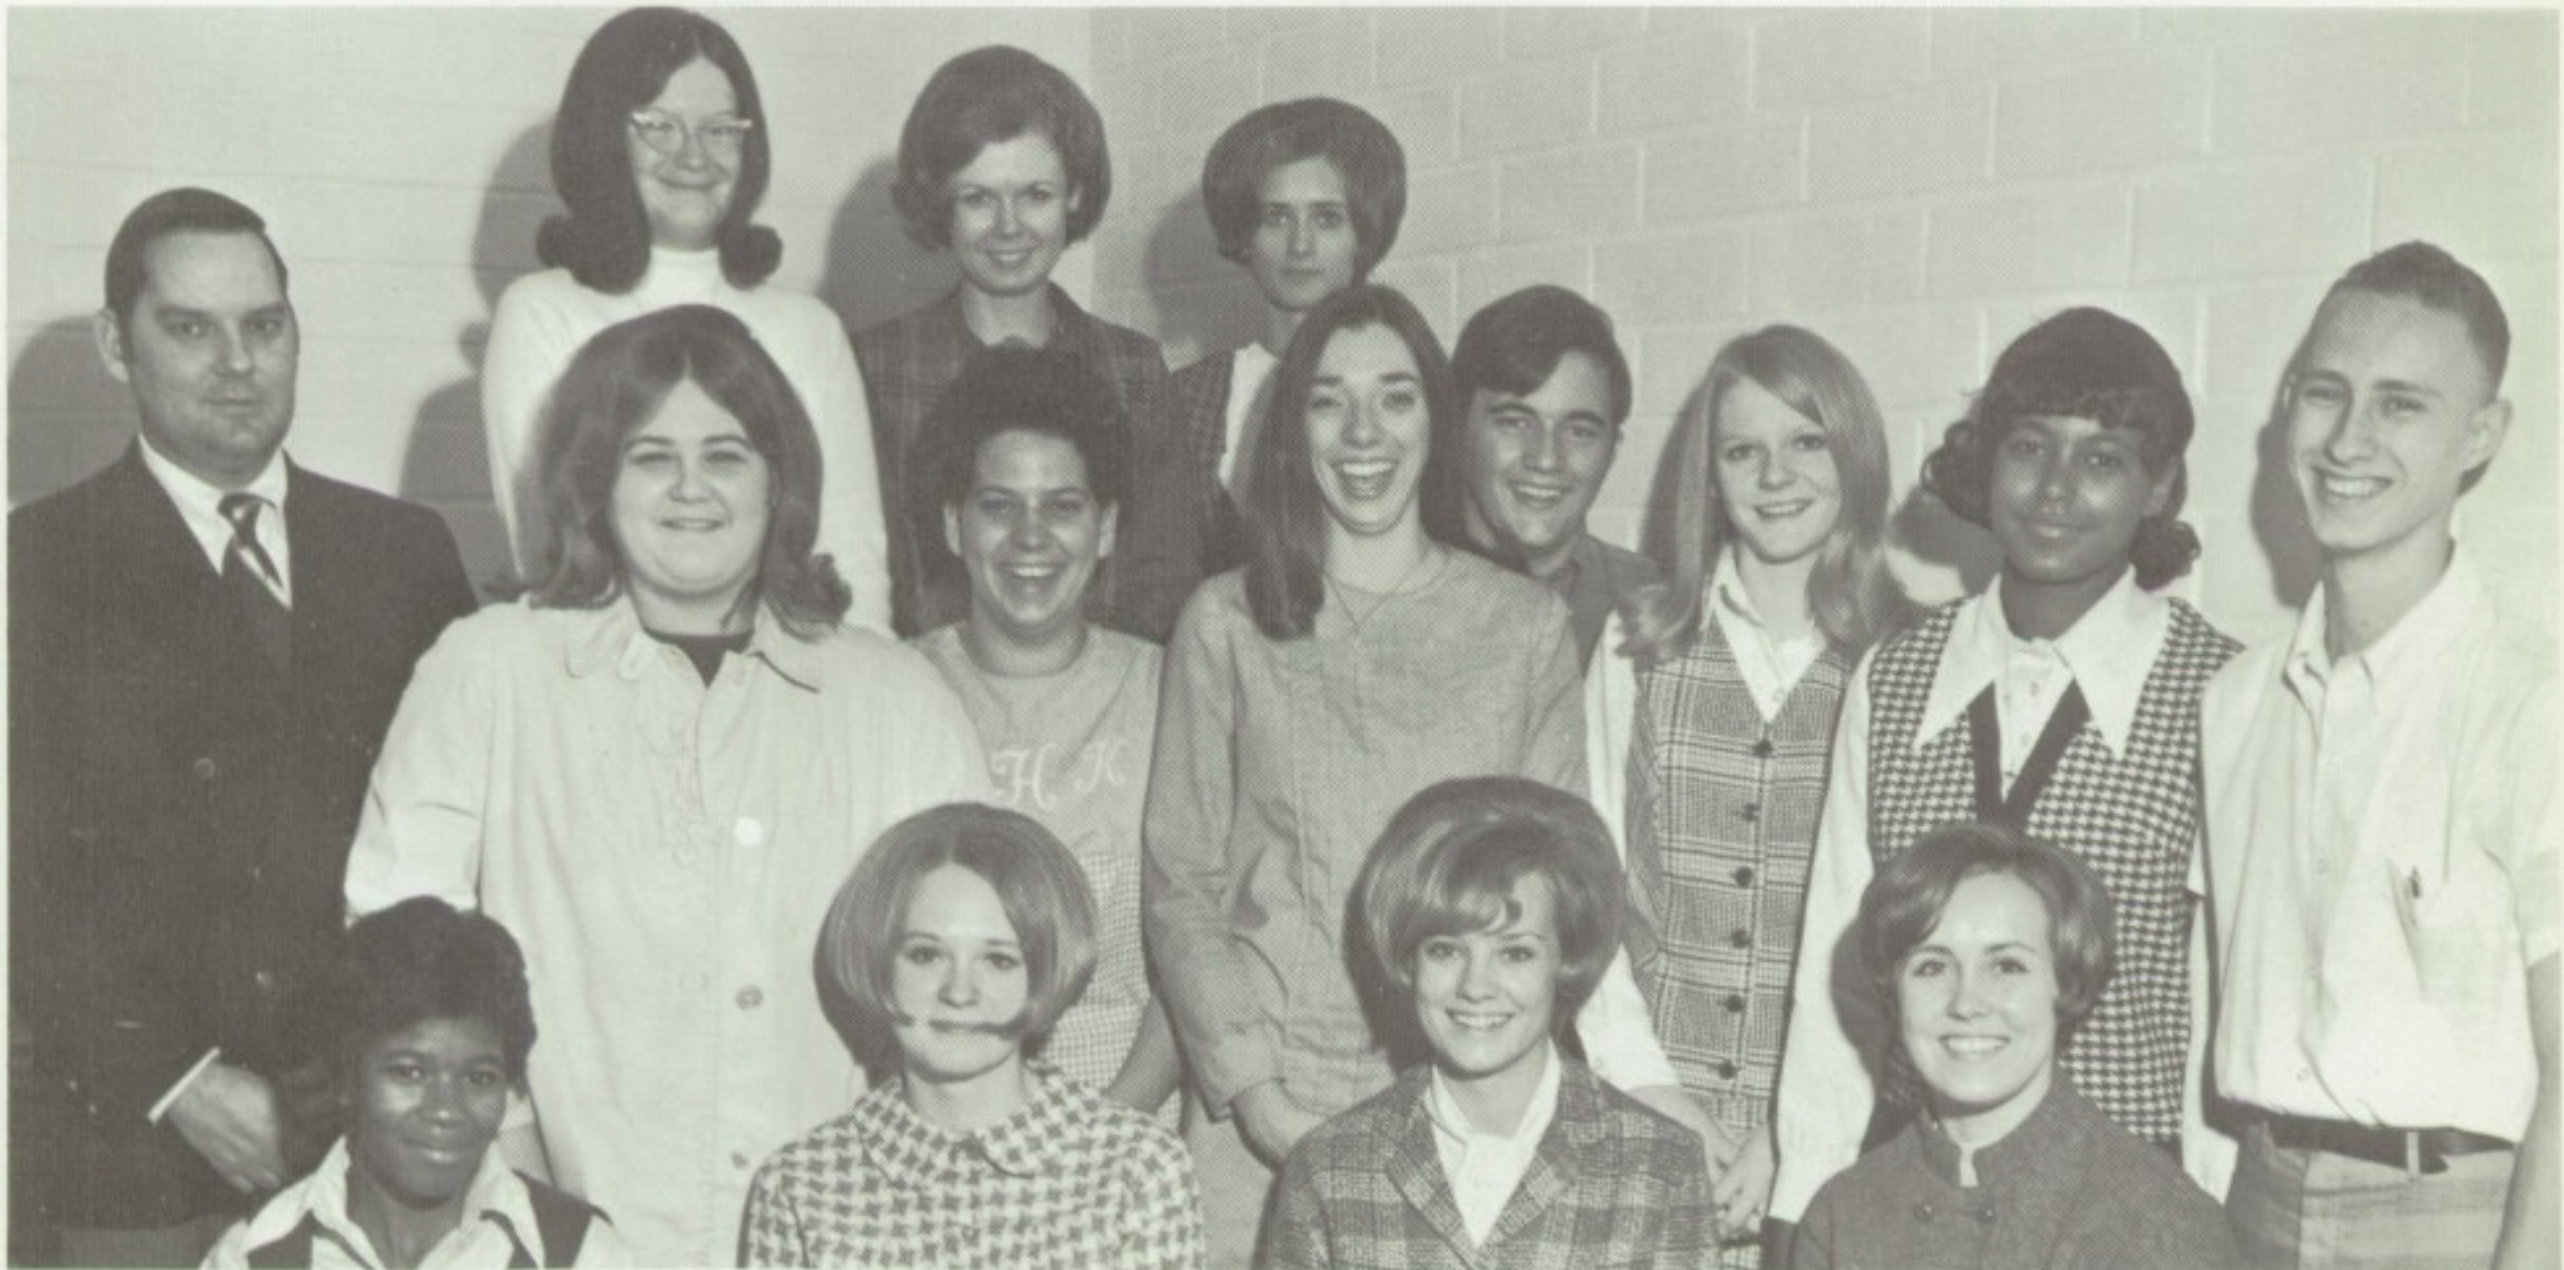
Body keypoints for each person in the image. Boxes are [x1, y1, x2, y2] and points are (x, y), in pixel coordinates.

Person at [343, 305, 986, 1265]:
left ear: (781, 482)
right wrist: (526, 1204)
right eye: (650, 457)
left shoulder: (893, 693)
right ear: (593, 483)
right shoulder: (490, 669)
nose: (692, 488)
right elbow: (403, 958)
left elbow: (973, 979)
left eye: (726, 455)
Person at [1144, 283, 1697, 1268]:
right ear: (1289, 426)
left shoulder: (1519, 626)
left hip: (1461, 1096)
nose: (1363, 431)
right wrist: (1255, 1091)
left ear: (1434, 422)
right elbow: (1179, 880)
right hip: (1260, 1112)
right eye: (1327, 398)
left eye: (1395, 397)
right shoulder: (1223, 621)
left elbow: (1564, 886)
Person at [9, 187, 477, 1267]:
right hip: (135, 1158)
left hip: (377, 1151)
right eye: (191, 327)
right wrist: (175, 1081)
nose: (237, 361)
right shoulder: (33, 567)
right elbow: (22, 882)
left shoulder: (404, 554)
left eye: (264, 326)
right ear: (115, 346)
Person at [1769, 308, 2241, 1233]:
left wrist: (2204, 1218)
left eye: (2102, 458)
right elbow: (1837, 963)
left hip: (2123, 1206)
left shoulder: (2221, 690)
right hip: (1914, 1195)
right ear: (1986, 464)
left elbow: (2216, 1000)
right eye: (2029, 447)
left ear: (2160, 487)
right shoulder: (1898, 675)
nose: (2056, 489)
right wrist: (1800, 1200)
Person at [2199, 242, 2557, 1270]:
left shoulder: (2533, 702)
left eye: (2400, 404)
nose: (2346, 440)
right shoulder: (2234, 702)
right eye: (2326, 393)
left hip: (2458, 1218)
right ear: (2284, 406)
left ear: (2479, 433)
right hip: (2254, 1198)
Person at [1583, 325, 1908, 1264]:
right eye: (1742, 450)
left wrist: (1793, 1140)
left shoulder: (1910, 652)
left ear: (1853, 452)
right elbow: (1595, 883)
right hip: (1647, 1111)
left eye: (1806, 441)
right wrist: (1653, 1089)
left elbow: (1900, 933)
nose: (1775, 474)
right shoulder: (1635, 644)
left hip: (1843, 1138)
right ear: (1710, 476)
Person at [482, 6, 890, 627]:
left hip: (787, 686)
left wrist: (860, 703)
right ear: (602, 135)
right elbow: (550, 554)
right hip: (605, 683)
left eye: (722, 129)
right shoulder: (542, 313)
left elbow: (853, 560)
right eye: (659, 126)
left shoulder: (810, 329)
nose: (694, 155)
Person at [1263, 778, 1712, 1270]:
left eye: (1515, 953)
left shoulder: (1660, 1167)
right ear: (1409, 961)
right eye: (1445, 950)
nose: (1476, 986)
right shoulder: (1330, 1167)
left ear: (1566, 958)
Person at [743, 804, 1203, 1270]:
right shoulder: (800, 1185)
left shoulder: (1138, 1168)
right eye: (925, 955)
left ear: (1044, 973)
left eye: (998, 960)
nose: (959, 992)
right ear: (880, 966)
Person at [910, 347, 1179, 1117]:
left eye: (1063, 507)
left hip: (1129, 1123)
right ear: (954, 526)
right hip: (939, 1120)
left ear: (1106, 529)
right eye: (999, 506)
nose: (1032, 538)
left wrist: (1106, 1134)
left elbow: (1195, 950)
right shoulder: (896, 689)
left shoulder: (1169, 688)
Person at [1791, 823, 2241, 1270]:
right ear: (1894, 992)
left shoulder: (2161, 1225)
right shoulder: (1841, 1214)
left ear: (2066, 983)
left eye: (2006, 966)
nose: (1967, 1002)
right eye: (1931, 967)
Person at [853, 44, 1165, 637]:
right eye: (978, 198)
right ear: (939, 205)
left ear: (1074, 195)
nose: (1008, 227)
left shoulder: (1136, 371)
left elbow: (1161, 582)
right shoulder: (870, 368)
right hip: (919, 701)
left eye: (1035, 195)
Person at [203, 899, 631, 1268]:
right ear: (348, 1078)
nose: (446, 1108)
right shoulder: (255, 1256)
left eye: (479, 1078)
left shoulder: (577, 1254)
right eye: (409, 1072)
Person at [1116, 97, 1407, 641]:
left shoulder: (1409, 397)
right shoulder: (1183, 399)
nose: (1300, 246)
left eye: (1326, 218)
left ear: (1363, 234)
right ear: (1244, 237)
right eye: (1277, 217)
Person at [1446, 284, 1659, 667]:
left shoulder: (1654, 602)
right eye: (1514, 422)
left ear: (1612, 449)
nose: (1546, 459)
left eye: (1579, 432)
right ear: (1456, 425)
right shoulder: (1393, 590)